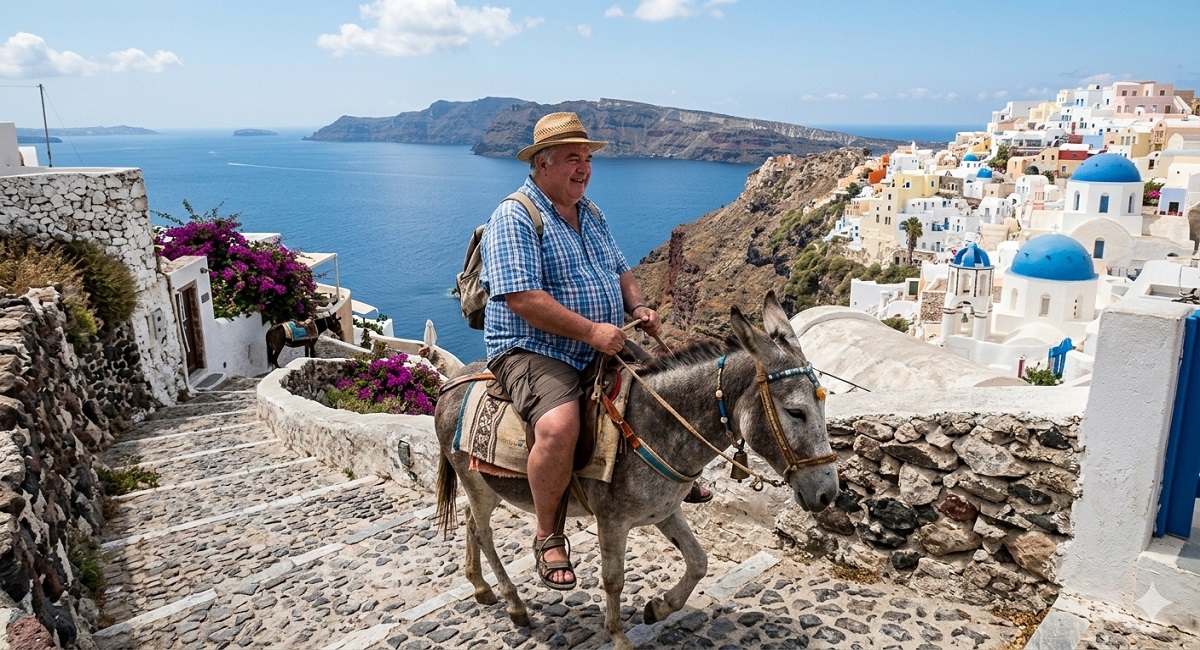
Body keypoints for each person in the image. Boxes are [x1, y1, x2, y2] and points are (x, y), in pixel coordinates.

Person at [480, 112, 709, 591]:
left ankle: (672, 480)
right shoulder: (515, 215)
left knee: (674, 389)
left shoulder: (591, 212)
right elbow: (522, 298)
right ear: (541, 164)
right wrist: (590, 333)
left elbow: (622, 270)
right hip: (533, 348)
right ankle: (547, 534)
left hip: (601, 340)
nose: (583, 168)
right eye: (572, 159)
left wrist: (639, 305)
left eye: (587, 159)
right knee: (560, 425)